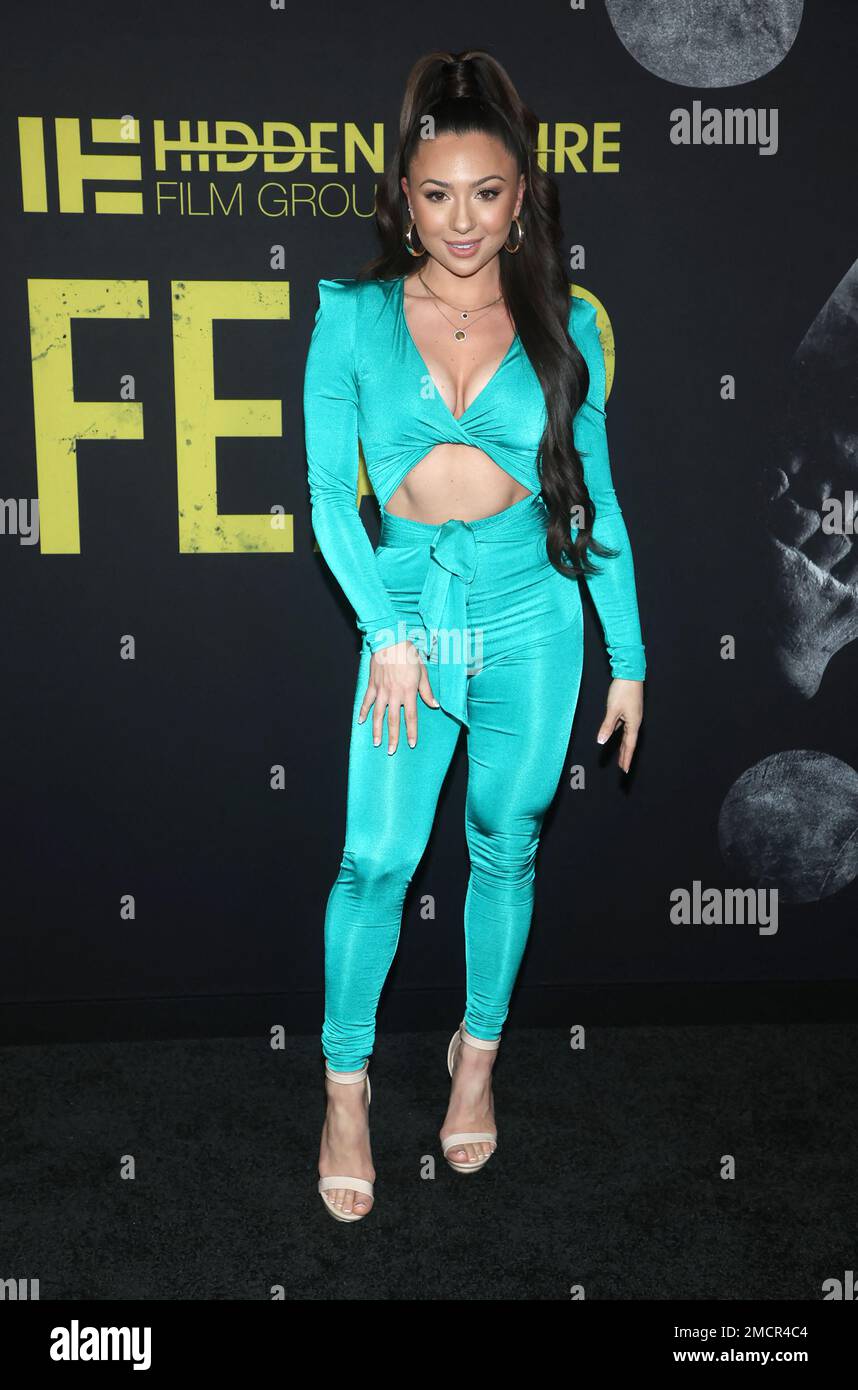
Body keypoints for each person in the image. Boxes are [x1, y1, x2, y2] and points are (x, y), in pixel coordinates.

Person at [304, 49, 646, 1222]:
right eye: (438, 194)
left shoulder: (564, 322)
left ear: (520, 197)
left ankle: (477, 1058)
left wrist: (631, 658)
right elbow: (327, 502)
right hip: (410, 616)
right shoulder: (352, 318)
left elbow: (592, 503)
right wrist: (388, 629)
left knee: (506, 843)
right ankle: (344, 1090)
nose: (462, 220)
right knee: (375, 860)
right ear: (405, 197)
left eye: (487, 193)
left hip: (530, 616)